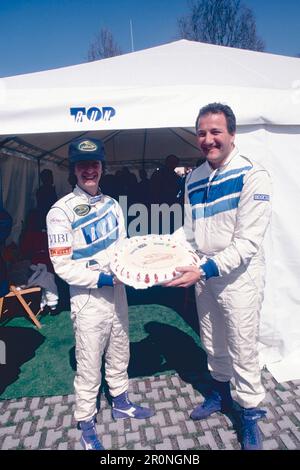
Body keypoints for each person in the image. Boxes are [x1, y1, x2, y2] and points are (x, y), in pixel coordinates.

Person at [166, 103, 272, 450]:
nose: (208, 139)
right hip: (204, 275)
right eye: (201, 133)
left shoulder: (253, 174)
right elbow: (190, 232)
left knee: (243, 347)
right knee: (212, 340)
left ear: (232, 134)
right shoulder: (194, 178)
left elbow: (247, 243)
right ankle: (221, 394)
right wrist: (161, 251)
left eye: (215, 132)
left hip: (239, 276)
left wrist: (204, 268)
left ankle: (250, 415)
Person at [46, 138, 154, 451]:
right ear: (74, 169)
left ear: (102, 167)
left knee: (120, 348)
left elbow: (121, 246)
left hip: (117, 292)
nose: (89, 170)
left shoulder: (111, 204)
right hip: (88, 298)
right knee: (89, 362)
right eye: (82, 165)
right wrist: (103, 277)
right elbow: (62, 267)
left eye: (94, 164)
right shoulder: (60, 211)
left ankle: (120, 401)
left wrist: (135, 265)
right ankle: (86, 421)